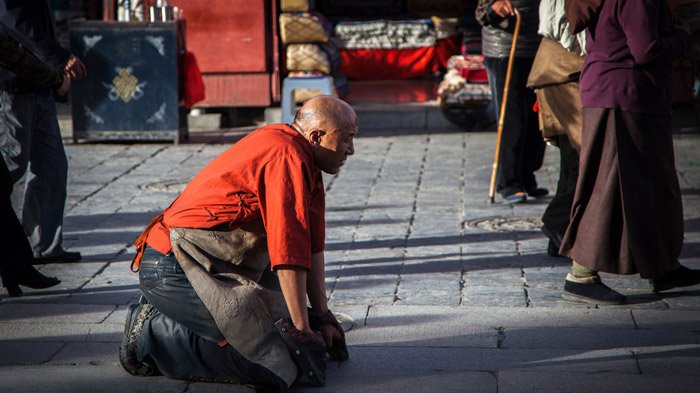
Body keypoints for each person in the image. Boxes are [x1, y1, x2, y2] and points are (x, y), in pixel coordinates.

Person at [119, 96, 357, 392]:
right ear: (316, 136)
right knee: (277, 365)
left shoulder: (308, 158)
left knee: (291, 337)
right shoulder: (286, 154)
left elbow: (311, 247)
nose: (352, 149)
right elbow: (288, 250)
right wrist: (301, 330)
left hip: (218, 265)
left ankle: (188, 322)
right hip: (172, 267)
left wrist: (320, 316)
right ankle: (149, 334)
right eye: (347, 139)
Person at [559, 0, 700, 304]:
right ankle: (581, 274)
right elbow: (646, 49)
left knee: (653, 186)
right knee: (606, 187)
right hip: (619, 97)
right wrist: (684, 35)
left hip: (634, 97)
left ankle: (662, 266)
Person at [0, 0, 86, 263]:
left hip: (41, 81)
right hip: (13, 82)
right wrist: (58, 58)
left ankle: (43, 247)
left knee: (52, 166)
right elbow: (14, 23)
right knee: (11, 163)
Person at [0, 28, 67, 296]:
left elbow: (10, 52)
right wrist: (54, 76)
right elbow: (12, 49)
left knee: (1, 182)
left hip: (30, 81)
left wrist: (51, 77)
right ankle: (16, 267)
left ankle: (16, 267)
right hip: (15, 86)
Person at [526, 0, 585, 257]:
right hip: (562, 72)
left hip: (567, 72)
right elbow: (562, 27)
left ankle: (561, 233)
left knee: (574, 160)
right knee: (585, 157)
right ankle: (557, 222)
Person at [476, 0, 548, 203]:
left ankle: (526, 176)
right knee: (512, 119)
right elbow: (482, 12)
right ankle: (509, 182)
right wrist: (493, 9)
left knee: (536, 119)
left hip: (538, 48)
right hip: (506, 50)